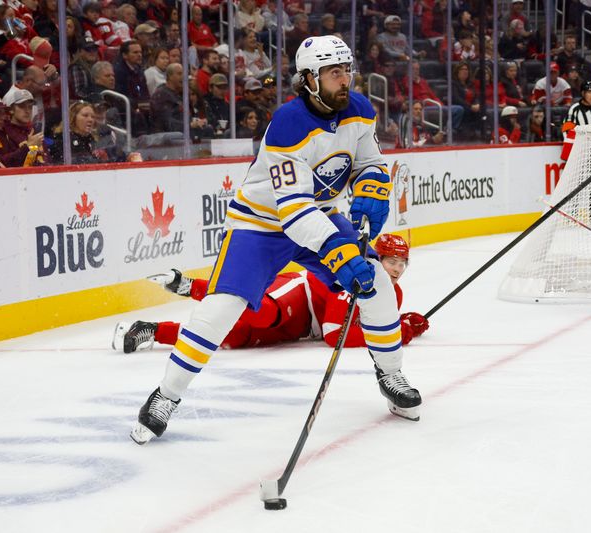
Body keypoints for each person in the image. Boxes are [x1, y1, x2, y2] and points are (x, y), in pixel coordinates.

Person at [130, 35, 423, 445]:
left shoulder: (359, 109)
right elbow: (293, 211)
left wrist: (374, 185)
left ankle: (390, 374)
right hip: (262, 224)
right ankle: (166, 395)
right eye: (333, 72)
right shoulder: (289, 123)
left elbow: (368, 161)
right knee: (220, 310)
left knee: (375, 281)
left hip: (319, 214)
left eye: (346, 70)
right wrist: (339, 253)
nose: (344, 79)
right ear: (309, 79)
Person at [115, 233, 430, 353]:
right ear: (376, 259)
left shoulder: (395, 295)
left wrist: (402, 322)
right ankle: (190, 286)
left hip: (303, 327)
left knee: (232, 337)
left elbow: (360, 325)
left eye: (403, 263)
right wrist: (397, 334)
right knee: (264, 313)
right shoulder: (358, 276)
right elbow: (335, 334)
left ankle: (152, 331)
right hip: (298, 294)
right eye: (391, 261)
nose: (397, 269)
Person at [561, 80, 591, 159]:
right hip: (579, 150)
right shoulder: (575, 109)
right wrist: (573, 148)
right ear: (583, 93)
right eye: (589, 92)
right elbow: (567, 130)